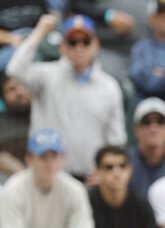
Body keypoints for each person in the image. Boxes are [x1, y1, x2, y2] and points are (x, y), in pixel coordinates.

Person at [6, 13, 126, 180]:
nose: (79, 47)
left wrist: (104, 172)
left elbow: (115, 138)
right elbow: (15, 69)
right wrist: (40, 32)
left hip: (90, 178)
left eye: (85, 41)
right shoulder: (46, 75)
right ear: (62, 46)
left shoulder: (109, 86)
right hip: (50, 177)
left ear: (95, 44)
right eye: (72, 41)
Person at [0, 129, 97, 228]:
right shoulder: (13, 188)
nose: (49, 163)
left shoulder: (75, 189)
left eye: (54, 156)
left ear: (62, 158)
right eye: (43, 156)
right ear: (29, 159)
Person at [89, 145, 165, 228]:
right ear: (97, 173)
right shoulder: (87, 201)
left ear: (130, 170)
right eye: (109, 167)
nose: (117, 172)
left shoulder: (140, 202)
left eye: (122, 166)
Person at [128, 97, 165, 201]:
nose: (153, 128)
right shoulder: (124, 162)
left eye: (160, 122)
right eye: (146, 122)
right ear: (136, 129)